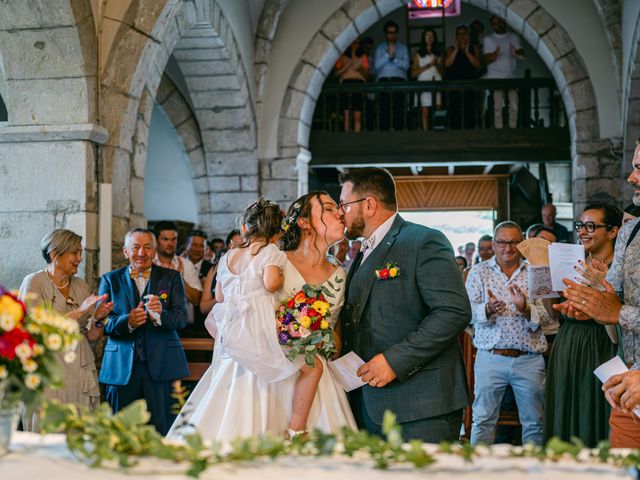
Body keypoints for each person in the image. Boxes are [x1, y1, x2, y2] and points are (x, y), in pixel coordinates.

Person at [168, 195, 356, 442]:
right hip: (259, 374)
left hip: (312, 379)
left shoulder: (341, 273)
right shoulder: (274, 260)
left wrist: (318, 329)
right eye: (330, 208)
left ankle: (298, 428)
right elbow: (237, 309)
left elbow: (336, 341)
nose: (341, 213)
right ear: (303, 222)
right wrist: (290, 323)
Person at [338, 167, 470, 442]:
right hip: (366, 402)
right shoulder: (363, 252)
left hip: (420, 405)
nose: (341, 213)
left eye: (344, 205)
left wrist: (394, 361)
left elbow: (453, 312)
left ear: (369, 204)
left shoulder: (423, 241)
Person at [557, 141, 640, 447]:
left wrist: (616, 313)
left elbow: (618, 309)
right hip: (628, 388)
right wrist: (591, 307)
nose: (631, 178)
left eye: (639, 169)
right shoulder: (632, 233)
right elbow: (613, 299)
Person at [18, 229, 114, 430]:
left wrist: (98, 318)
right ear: (54, 254)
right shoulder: (34, 282)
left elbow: (90, 338)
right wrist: (79, 312)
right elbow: (36, 329)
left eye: (81, 253)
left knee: (80, 430)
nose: (79, 259)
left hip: (79, 366)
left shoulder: (80, 285)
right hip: (49, 368)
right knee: (47, 429)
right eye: (75, 253)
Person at [465, 221, 549, 446]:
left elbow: (548, 318)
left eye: (514, 242)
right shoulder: (478, 271)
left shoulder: (537, 271)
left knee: (535, 422)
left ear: (522, 244)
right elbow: (466, 313)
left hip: (529, 359)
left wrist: (525, 308)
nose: (508, 248)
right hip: (490, 356)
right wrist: (488, 309)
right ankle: (477, 472)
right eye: (502, 242)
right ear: (493, 244)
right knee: (482, 419)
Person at [544, 204, 621, 447]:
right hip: (568, 341)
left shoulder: (621, 268)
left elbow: (622, 315)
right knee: (566, 403)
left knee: (594, 406)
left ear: (612, 231)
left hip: (601, 345)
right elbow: (551, 313)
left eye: (591, 226)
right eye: (580, 225)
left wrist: (601, 287)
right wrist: (547, 280)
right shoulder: (573, 264)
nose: (583, 232)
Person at [98, 228, 189, 435]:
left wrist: (159, 315)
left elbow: (181, 318)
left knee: (162, 430)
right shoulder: (109, 280)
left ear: (154, 251)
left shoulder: (172, 278)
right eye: (136, 247)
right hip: (122, 367)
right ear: (125, 251)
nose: (142, 253)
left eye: (147, 247)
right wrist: (127, 321)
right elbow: (103, 322)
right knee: (120, 431)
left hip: (162, 364)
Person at [154, 222, 202, 327]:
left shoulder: (186, 264)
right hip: (154, 323)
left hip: (184, 326)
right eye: (165, 239)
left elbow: (196, 299)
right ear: (156, 241)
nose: (170, 243)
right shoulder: (150, 264)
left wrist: (177, 277)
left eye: (173, 239)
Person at [483, 15, 524, 128]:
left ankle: (512, 128)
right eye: (495, 23)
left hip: (510, 77)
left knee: (514, 104)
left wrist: (515, 53)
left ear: (504, 22)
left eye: (500, 22)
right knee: (497, 106)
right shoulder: (488, 39)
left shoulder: (513, 37)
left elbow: (522, 55)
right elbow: (485, 60)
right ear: (492, 25)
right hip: (495, 77)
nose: (498, 25)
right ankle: (499, 130)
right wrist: (495, 54)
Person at [374, 20, 409, 131]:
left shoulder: (403, 48)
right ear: (385, 34)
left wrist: (394, 59)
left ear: (397, 33)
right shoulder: (380, 48)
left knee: (399, 109)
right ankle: (385, 133)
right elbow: (376, 66)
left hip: (399, 81)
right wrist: (387, 56)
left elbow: (407, 66)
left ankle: (399, 132)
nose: (392, 35)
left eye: (394, 32)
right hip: (384, 81)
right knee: (384, 109)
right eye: (389, 32)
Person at [444, 25, 481, 129]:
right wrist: (456, 50)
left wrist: (467, 52)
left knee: (470, 109)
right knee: (455, 109)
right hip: (454, 84)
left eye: (464, 33)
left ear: (468, 36)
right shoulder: (451, 49)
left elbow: (478, 65)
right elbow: (447, 64)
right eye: (459, 34)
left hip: (470, 84)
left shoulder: (473, 48)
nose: (462, 36)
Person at [411, 28, 443, 130]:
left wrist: (436, 63)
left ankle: (438, 133)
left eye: (431, 35)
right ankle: (426, 133)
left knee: (437, 109)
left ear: (434, 38)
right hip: (423, 84)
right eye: (427, 35)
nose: (429, 38)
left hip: (436, 82)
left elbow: (443, 72)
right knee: (425, 111)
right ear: (423, 38)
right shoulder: (418, 54)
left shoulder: (438, 53)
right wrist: (429, 65)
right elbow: (413, 73)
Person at [335, 38, 369, 133]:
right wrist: (348, 64)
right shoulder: (342, 57)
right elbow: (336, 73)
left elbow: (367, 75)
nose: (355, 45)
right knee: (346, 113)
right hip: (346, 84)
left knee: (357, 114)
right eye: (353, 42)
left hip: (358, 85)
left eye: (357, 42)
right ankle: (347, 134)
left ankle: (357, 134)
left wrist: (359, 67)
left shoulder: (363, 57)